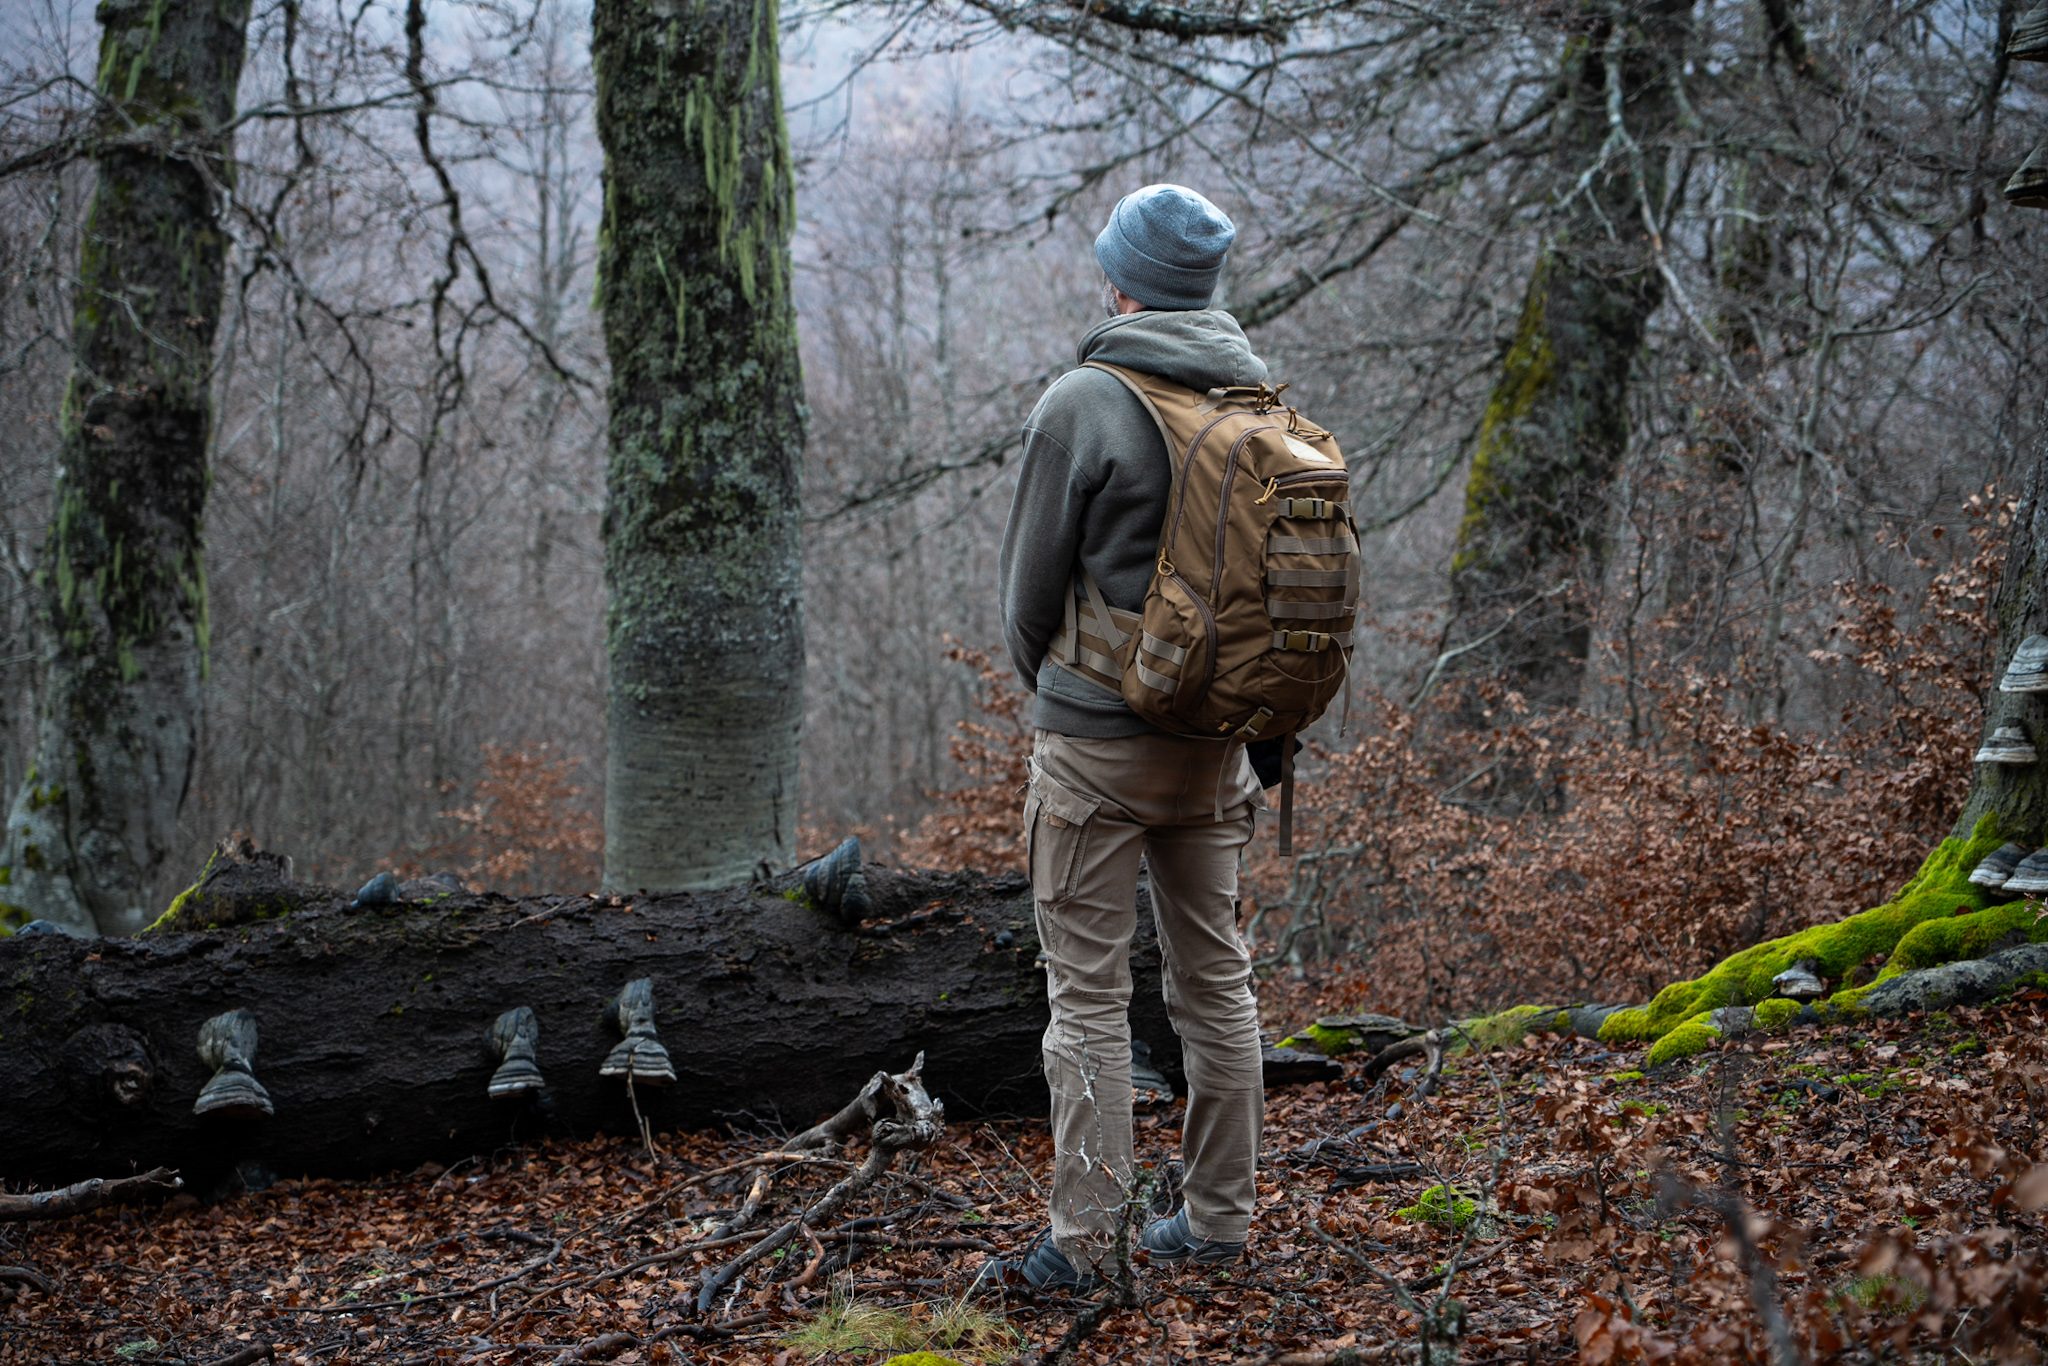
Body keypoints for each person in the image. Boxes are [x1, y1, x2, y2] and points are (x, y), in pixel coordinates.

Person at [980, 183, 1271, 1294]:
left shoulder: (1083, 402)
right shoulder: (1255, 401)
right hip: (1215, 754)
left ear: (1120, 281)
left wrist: (1059, 696)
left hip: (1094, 753)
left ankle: (1085, 1242)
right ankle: (1216, 1222)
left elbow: (1023, 596)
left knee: (1090, 1002)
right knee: (1217, 989)